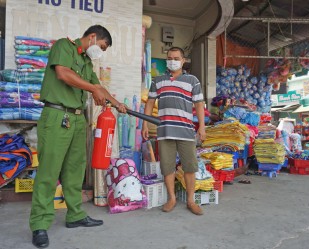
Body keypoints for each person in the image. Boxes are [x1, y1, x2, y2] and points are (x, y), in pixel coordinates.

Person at [29, 25, 127, 248]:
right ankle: (39, 224)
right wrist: (94, 91)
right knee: (49, 171)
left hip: (76, 118)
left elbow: (97, 86)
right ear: (92, 37)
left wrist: (116, 102)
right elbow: (63, 73)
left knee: (75, 170)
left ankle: (74, 215)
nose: (100, 52)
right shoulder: (64, 46)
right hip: (56, 115)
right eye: (101, 47)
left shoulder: (86, 62)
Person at [141, 47, 206, 216]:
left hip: (186, 130)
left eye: (176, 58)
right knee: (167, 167)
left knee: (190, 167)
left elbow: (199, 104)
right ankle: (171, 198)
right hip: (165, 130)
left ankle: (191, 201)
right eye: (169, 58)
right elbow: (150, 102)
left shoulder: (192, 80)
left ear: (183, 60)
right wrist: (145, 124)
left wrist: (202, 127)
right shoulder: (158, 80)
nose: (172, 60)